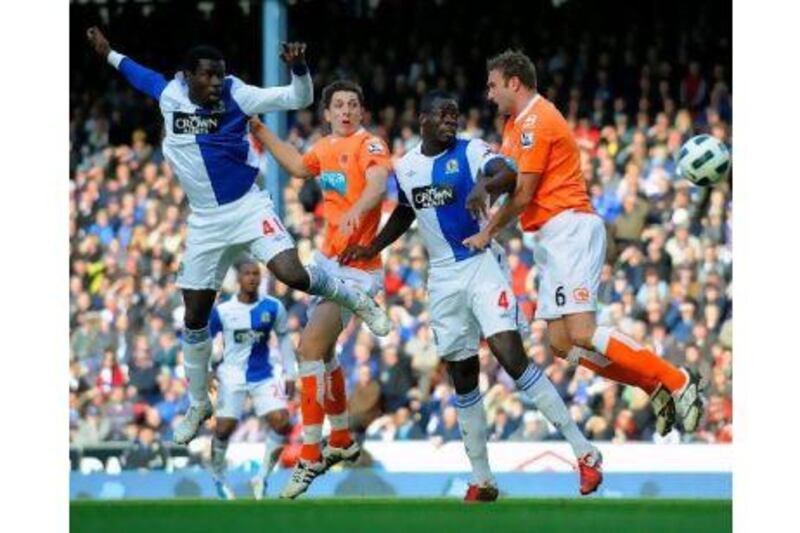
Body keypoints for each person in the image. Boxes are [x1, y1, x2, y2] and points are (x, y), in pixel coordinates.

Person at [86, 28, 391, 446]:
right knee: (194, 317)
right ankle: (198, 403)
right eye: (208, 76)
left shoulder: (238, 94)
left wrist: (299, 68)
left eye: (220, 75)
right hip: (205, 221)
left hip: (247, 206)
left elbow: (297, 98)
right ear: (187, 77)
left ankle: (356, 299)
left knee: (293, 274)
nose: (216, 83)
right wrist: (109, 54)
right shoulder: (170, 94)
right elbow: (140, 75)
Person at [341, 90, 603, 500]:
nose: (451, 120)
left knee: (510, 357)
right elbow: (407, 210)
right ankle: (483, 478)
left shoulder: (472, 150)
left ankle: (584, 452)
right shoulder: (406, 165)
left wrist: (484, 185)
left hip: (480, 262)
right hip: (442, 278)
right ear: (423, 119)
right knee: (462, 376)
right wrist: (373, 247)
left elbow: (508, 173)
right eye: (443, 115)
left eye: (455, 115)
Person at [462, 50, 702, 433]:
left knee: (583, 332)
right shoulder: (515, 126)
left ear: (514, 83)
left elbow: (522, 195)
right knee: (561, 343)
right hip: (550, 236)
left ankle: (677, 380)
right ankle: (650, 383)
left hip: (568, 227)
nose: (489, 94)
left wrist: (487, 231)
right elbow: (507, 181)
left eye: (493, 85)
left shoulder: (537, 121)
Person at [248, 80, 392, 499]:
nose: (346, 110)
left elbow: (378, 184)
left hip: (359, 268)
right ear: (327, 113)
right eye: (338, 105)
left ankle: (311, 453)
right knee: (322, 354)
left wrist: (358, 212)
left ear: (362, 113)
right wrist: (260, 130)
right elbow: (296, 165)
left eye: (353, 104)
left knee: (308, 347)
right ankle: (342, 439)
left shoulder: (370, 144)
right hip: (329, 265)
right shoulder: (325, 147)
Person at [207, 258, 297, 500]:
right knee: (224, 428)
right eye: (247, 274)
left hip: (263, 375)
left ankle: (262, 477)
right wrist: (206, 370)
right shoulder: (223, 310)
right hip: (231, 375)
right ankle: (217, 474)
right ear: (239, 279)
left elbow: (285, 339)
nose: (252, 278)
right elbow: (205, 339)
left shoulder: (273, 307)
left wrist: (291, 372)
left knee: (282, 421)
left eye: (256, 274)